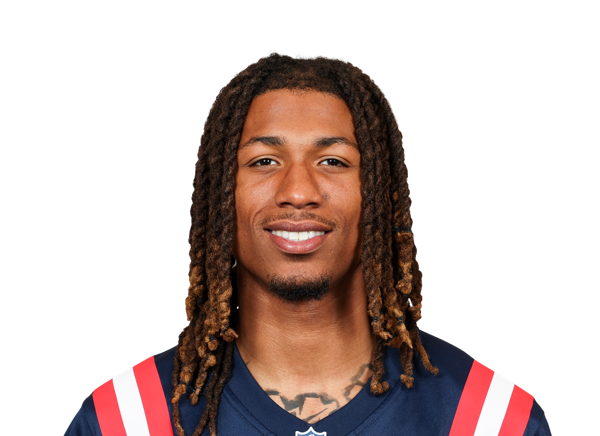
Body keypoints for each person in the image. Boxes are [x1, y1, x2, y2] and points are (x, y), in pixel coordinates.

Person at [65, 51, 551, 436]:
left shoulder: (488, 420)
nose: (298, 192)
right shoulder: (126, 421)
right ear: (219, 194)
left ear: (380, 195)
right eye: (264, 161)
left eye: (333, 162)